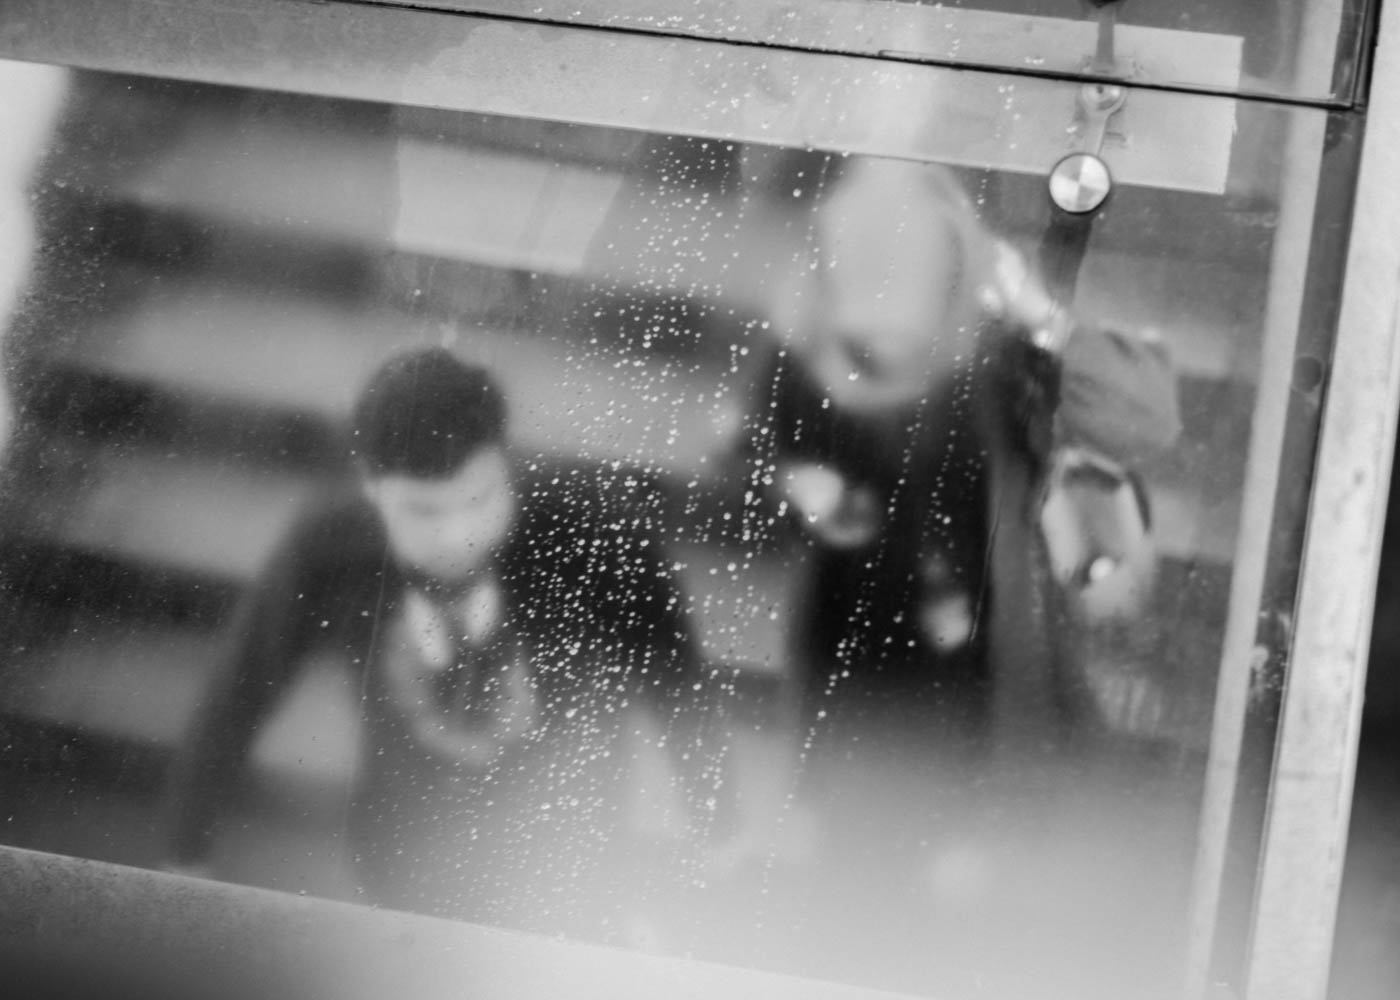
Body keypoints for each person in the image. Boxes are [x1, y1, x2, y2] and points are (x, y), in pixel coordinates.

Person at [713, 155, 1181, 878]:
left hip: (1007, 668)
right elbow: (743, 481)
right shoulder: (811, 358)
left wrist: (1041, 318)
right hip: (871, 670)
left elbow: (1144, 421)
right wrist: (791, 487)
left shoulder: (1008, 358)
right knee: (872, 872)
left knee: (1014, 880)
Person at [165, 347, 709, 939]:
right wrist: (183, 848)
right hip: (408, 863)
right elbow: (241, 688)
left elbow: (674, 674)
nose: (458, 534)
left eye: (479, 499)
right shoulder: (329, 545)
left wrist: (716, 817)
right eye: (423, 511)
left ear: (504, 462)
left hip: (569, 864)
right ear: (373, 489)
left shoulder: (594, 530)